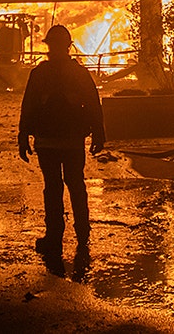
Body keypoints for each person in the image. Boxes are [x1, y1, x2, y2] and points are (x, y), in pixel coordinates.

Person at [18, 24, 105, 268]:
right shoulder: (77, 73)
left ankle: (55, 238)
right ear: (68, 46)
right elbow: (93, 103)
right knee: (74, 185)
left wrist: (23, 135)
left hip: (49, 141)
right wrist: (98, 132)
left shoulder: (40, 73)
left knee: (54, 187)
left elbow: (29, 106)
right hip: (69, 140)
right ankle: (81, 235)